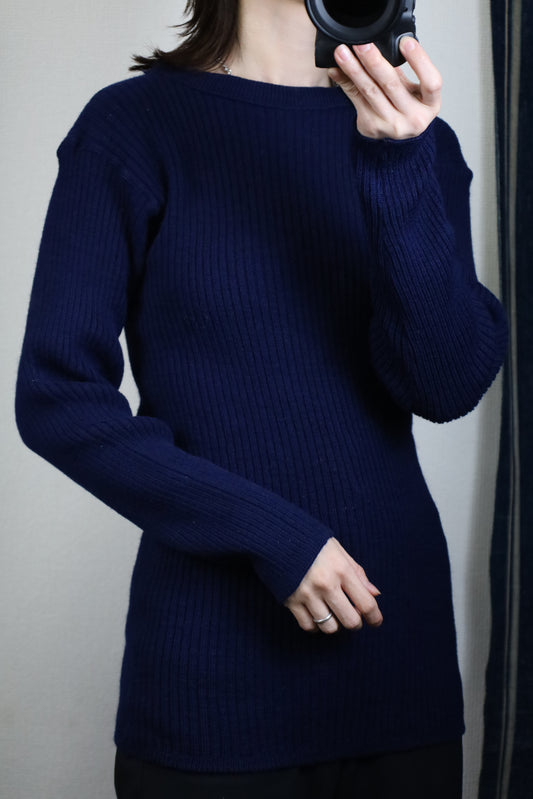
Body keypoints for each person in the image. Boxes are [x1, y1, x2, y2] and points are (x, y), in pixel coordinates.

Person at [15, 1, 508, 797]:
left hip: (397, 670)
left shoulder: (415, 134)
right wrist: (275, 536)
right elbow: (57, 397)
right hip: (213, 682)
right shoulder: (134, 126)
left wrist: (396, 162)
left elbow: (444, 385)